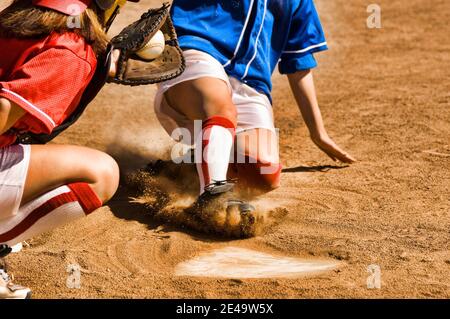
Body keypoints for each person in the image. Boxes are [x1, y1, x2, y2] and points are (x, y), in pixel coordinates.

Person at [153, 0, 356, 217]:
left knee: (261, 173)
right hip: (197, 52)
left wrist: (318, 133)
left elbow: (298, 62)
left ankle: (190, 166)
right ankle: (212, 196)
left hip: (251, 83)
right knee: (221, 111)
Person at [0, 0, 138, 299]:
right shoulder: (70, 46)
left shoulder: (21, 18)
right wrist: (82, 61)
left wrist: (101, 66)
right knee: (100, 173)